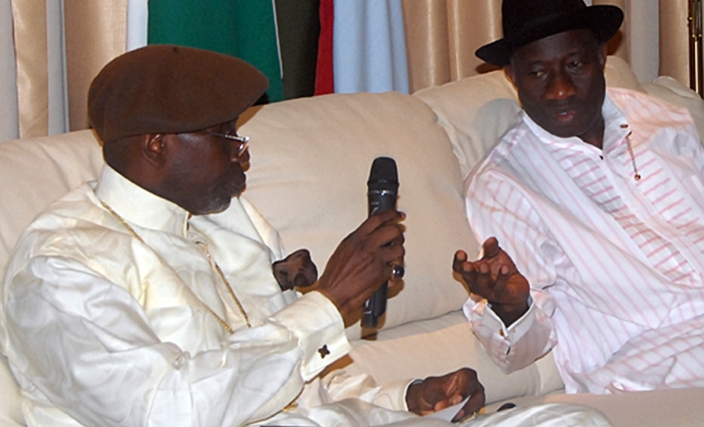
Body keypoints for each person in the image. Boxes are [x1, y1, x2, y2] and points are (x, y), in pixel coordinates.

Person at [0, 44, 611, 427]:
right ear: (158, 144)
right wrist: (325, 304)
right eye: (225, 136)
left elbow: (308, 379)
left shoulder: (228, 219)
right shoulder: (62, 268)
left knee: (573, 422)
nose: (244, 155)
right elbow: (168, 412)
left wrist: (407, 398)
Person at [453, 0, 704, 420]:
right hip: (662, 360)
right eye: (537, 73)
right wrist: (511, 305)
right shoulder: (502, 185)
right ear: (512, 76)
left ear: (602, 56)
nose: (560, 89)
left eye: (575, 64)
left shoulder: (666, 121)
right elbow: (522, 348)